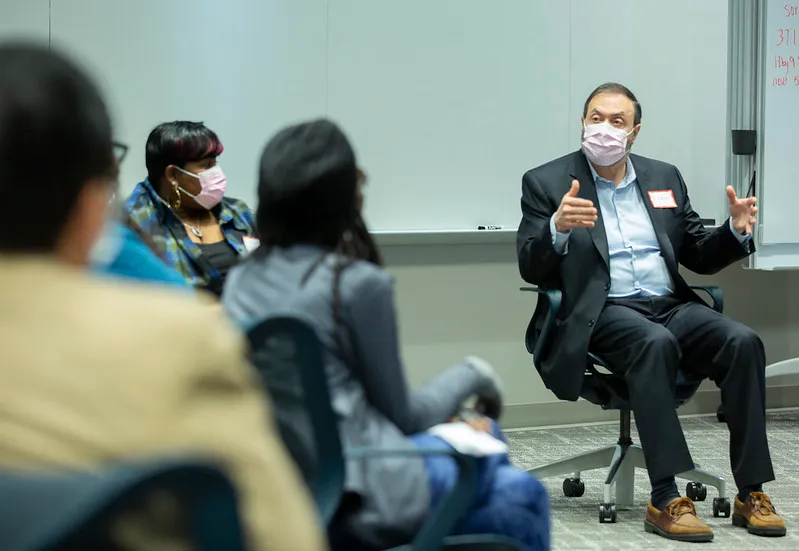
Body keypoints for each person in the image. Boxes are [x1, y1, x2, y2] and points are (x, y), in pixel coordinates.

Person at [0, 42, 324, 551]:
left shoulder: (236, 214)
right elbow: (283, 537)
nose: (214, 173)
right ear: (90, 201)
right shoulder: (177, 339)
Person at [223, 119, 550, 551]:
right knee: (517, 488)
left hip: (279, 485)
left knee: (488, 460)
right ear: (344, 197)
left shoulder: (242, 277)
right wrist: (474, 373)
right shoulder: (354, 283)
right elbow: (405, 417)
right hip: (355, 486)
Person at [516, 82, 785, 542]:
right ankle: (665, 498)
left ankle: (751, 492)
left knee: (742, 342)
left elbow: (696, 253)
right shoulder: (546, 182)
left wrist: (735, 231)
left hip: (669, 304)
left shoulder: (663, 177)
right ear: (582, 122)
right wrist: (556, 230)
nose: (604, 128)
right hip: (603, 311)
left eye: (616, 121)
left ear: (634, 132)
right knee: (653, 343)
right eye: (596, 117)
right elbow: (530, 263)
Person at [125, 121, 259, 297]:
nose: (218, 173)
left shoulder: (237, 212)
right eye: (207, 165)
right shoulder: (136, 223)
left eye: (216, 163)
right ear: (173, 175)